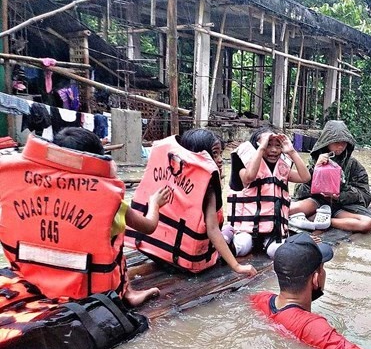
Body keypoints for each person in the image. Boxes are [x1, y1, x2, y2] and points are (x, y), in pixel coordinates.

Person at [0, 128, 168, 307]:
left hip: (31, 278)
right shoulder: (109, 199)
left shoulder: (20, 185)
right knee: (115, 236)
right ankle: (128, 293)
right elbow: (149, 226)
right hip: (89, 291)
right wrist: (155, 203)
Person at [125, 128, 256, 278]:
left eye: (220, 153)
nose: (220, 159)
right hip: (188, 263)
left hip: (157, 251)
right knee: (235, 236)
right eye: (214, 154)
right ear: (198, 155)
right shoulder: (208, 187)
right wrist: (237, 266)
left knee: (227, 230)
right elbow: (212, 230)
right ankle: (231, 233)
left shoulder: (168, 171)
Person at [225, 127, 311, 258]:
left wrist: (292, 151)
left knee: (277, 252)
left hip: (273, 231)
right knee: (242, 246)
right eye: (268, 145)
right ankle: (227, 235)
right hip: (247, 229)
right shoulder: (244, 167)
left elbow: (305, 177)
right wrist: (260, 149)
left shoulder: (283, 169)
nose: (273, 150)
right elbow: (248, 178)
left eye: (278, 145)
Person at [290, 120, 371, 233]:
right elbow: (299, 191)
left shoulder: (353, 165)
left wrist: (340, 195)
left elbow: (365, 196)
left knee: (368, 223)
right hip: (316, 202)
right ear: (327, 142)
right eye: (336, 142)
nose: (340, 146)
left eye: (344, 143)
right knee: (286, 210)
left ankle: (324, 221)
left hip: (341, 207)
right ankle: (317, 216)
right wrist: (315, 169)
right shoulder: (316, 160)